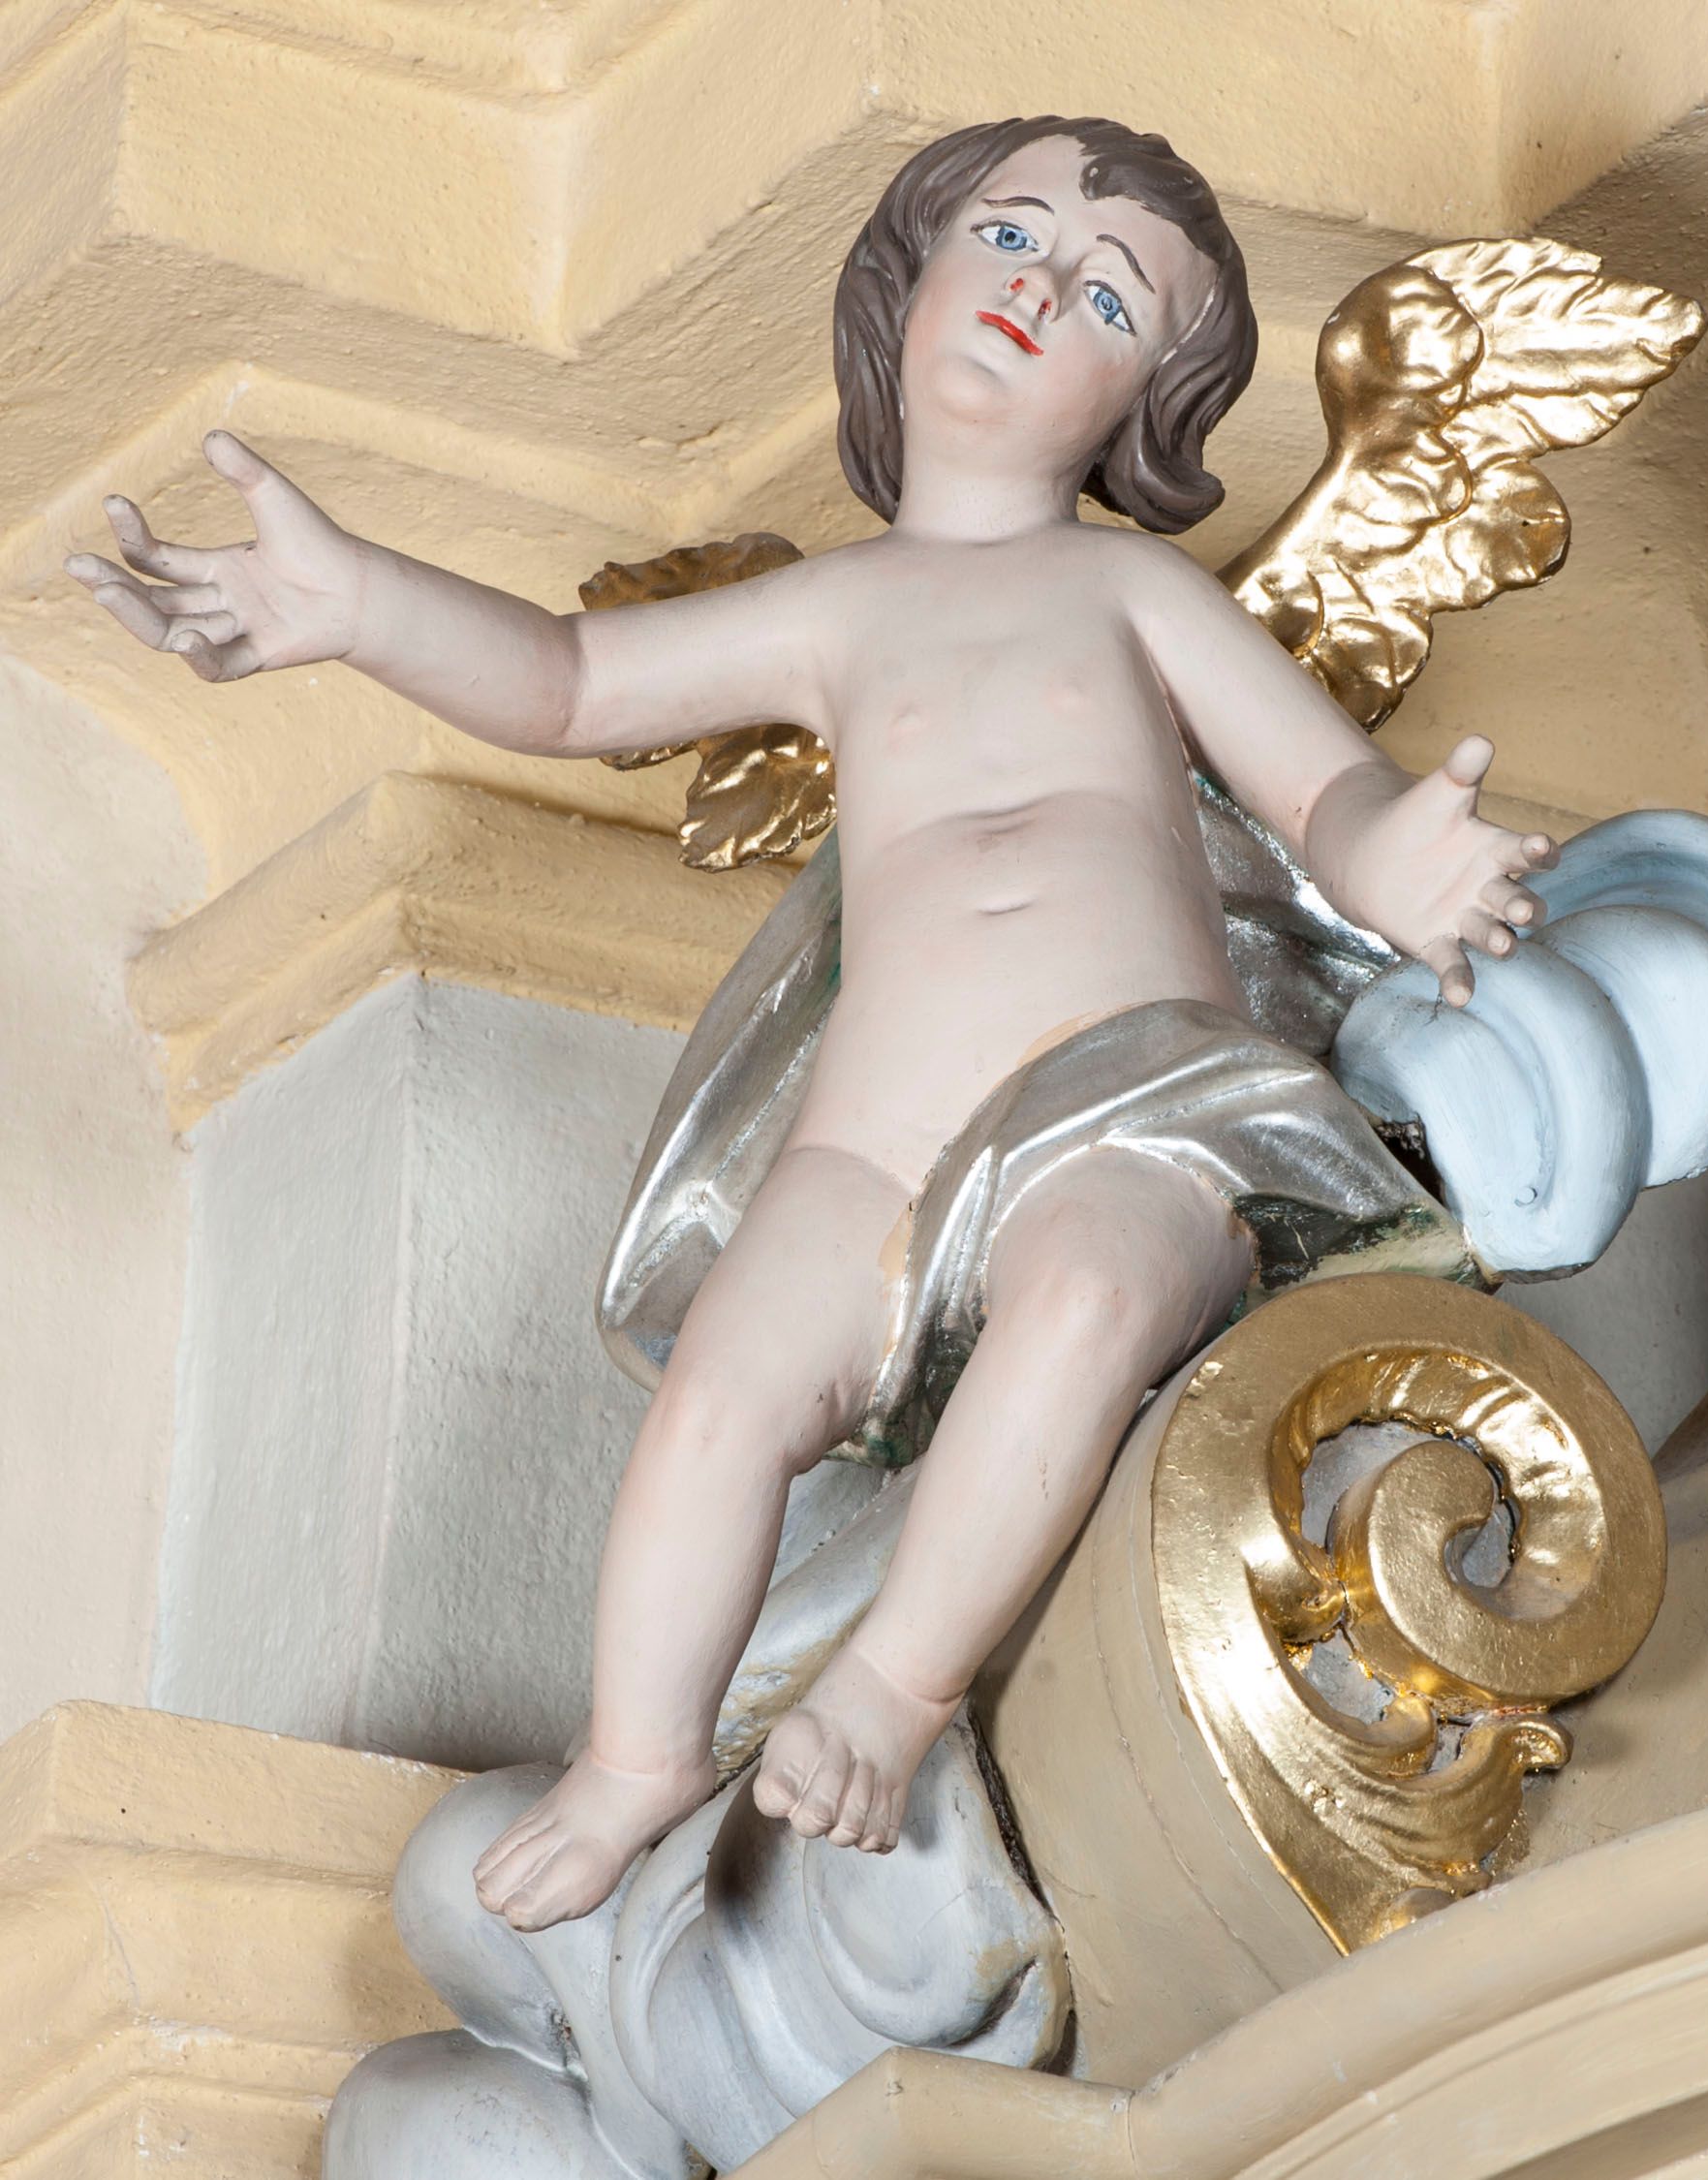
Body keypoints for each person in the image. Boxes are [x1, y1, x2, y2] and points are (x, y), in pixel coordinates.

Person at [67, 114, 1555, 1929]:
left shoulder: (1132, 590)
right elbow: (572, 682)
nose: (1037, 290)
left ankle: (891, 1691)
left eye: (1106, 298)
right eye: (1008, 237)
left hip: (1142, 1110)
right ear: (907, 273)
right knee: (723, 1388)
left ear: (1143, 408)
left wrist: (1396, 854)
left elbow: (1316, 792)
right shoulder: (841, 611)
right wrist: (362, 603)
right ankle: (633, 1755)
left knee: (1091, 1294)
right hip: (876, 1139)